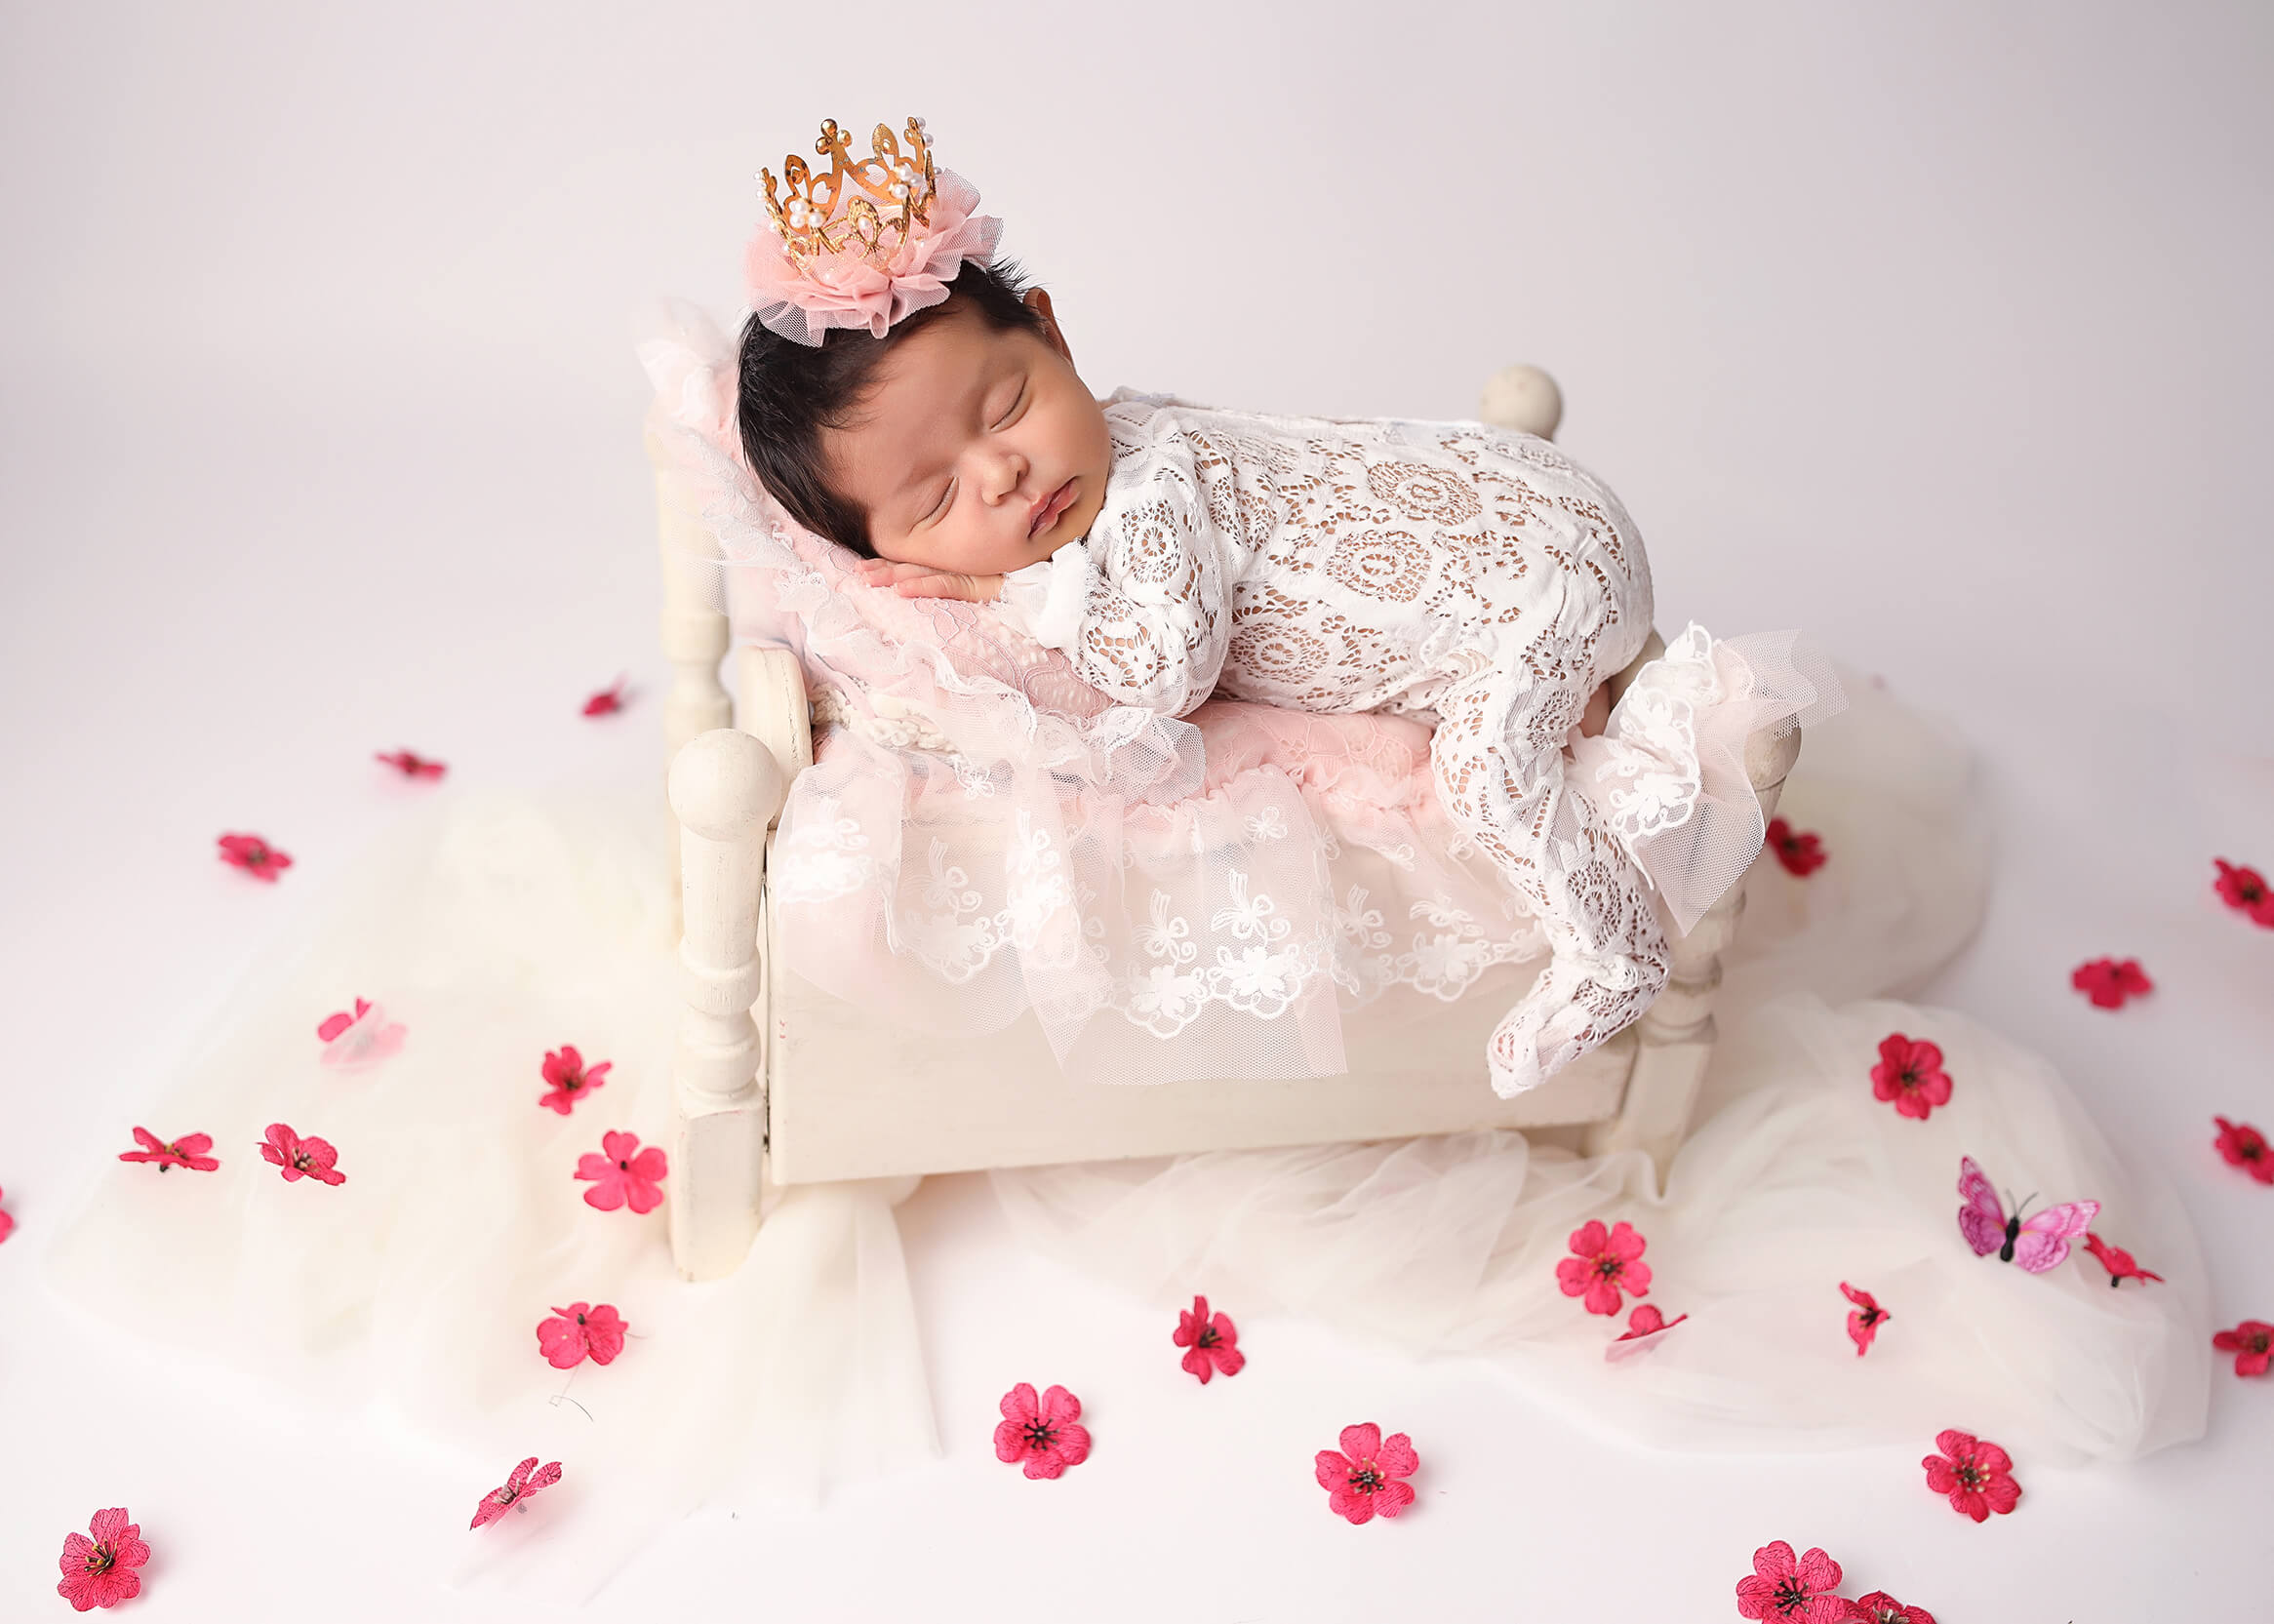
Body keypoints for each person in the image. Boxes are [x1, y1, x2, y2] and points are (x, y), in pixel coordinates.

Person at [737, 115, 1836, 1094]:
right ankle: (1565, 694)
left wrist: (998, 591)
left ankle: (1614, 948)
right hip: (1544, 523)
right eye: (937, 497)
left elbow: (1161, 678)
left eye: (1010, 403)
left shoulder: (1151, 489)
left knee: (1485, 771)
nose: (1003, 474)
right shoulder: (1139, 448)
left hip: (1546, 581)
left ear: (1055, 334)